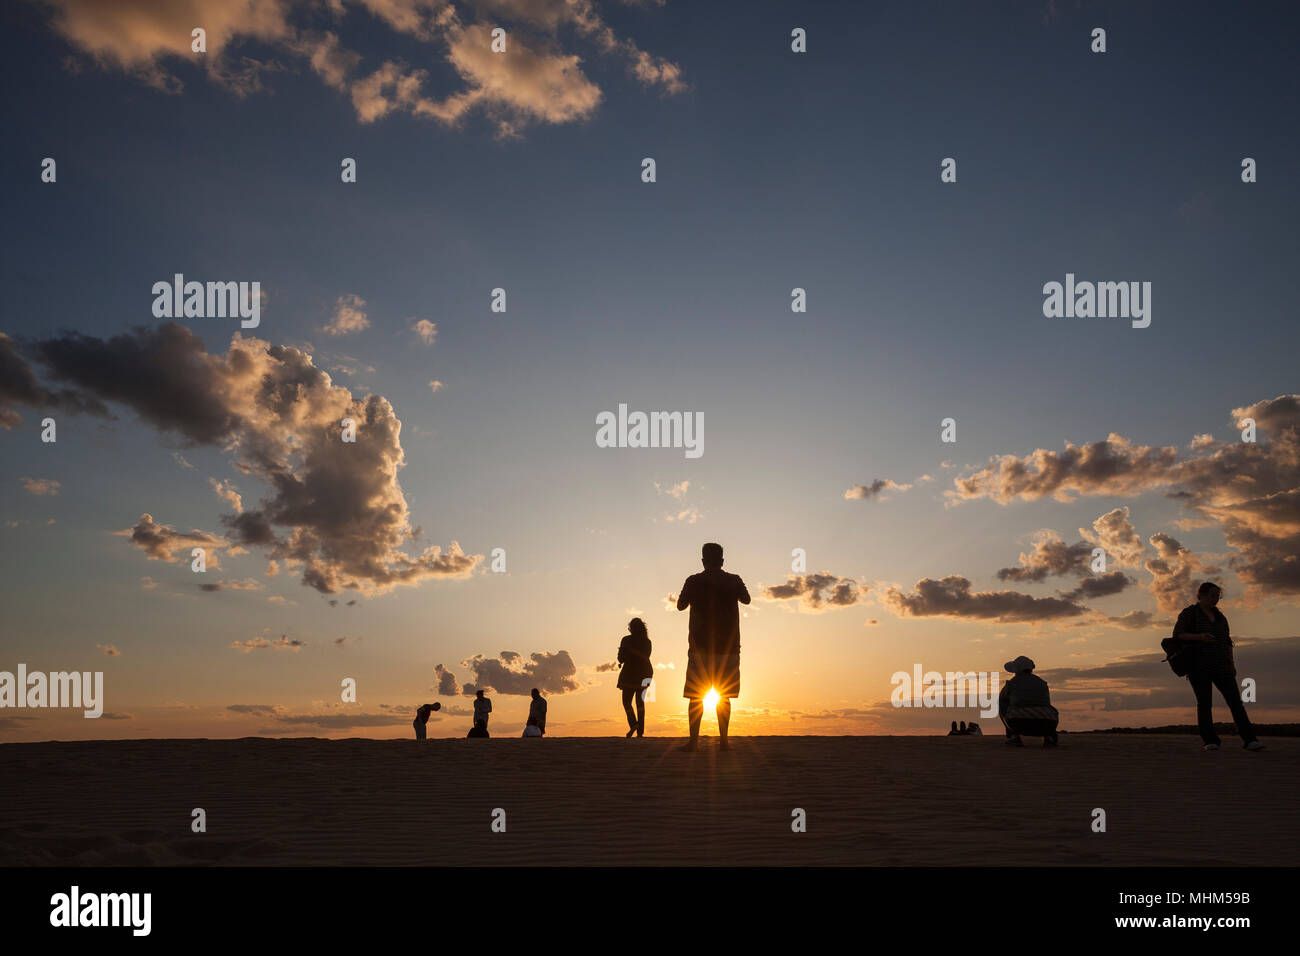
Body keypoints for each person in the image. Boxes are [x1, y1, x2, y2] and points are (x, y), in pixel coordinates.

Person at [1172, 582, 1264, 752]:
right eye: (1212, 595)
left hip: (1222, 666)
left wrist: (1232, 663)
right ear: (1201, 595)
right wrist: (1200, 637)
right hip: (1198, 666)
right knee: (1205, 704)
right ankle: (1210, 741)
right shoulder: (1189, 613)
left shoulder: (1221, 617)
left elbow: (1227, 641)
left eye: (1217, 596)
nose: (1215, 599)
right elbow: (1178, 635)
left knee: (1236, 703)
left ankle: (1250, 740)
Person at [676, 542, 751, 751]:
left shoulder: (693, 581)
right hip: (728, 648)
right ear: (722, 560)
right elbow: (747, 600)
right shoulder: (734, 580)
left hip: (700, 648)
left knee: (695, 696)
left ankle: (693, 742)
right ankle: (724, 741)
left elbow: (680, 605)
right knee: (724, 695)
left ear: (703, 560)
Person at [998, 656, 1059, 747]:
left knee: (1002, 703)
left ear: (1016, 670)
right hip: (1048, 724)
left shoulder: (1012, 683)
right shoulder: (1042, 683)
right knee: (1046, 707)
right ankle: (1048, 738)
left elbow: (1002, 699)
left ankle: (1014, 736)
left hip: (1019, 723)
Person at [616, 617, 654, 738]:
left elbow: (620, 658)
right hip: (644, 673)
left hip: (630, 674)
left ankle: (634, 724)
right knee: (640, 703)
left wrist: (628, 651)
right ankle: (640, 731)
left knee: (626, 702)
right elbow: (646, 656)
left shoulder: (626, 640)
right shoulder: (647, 642)